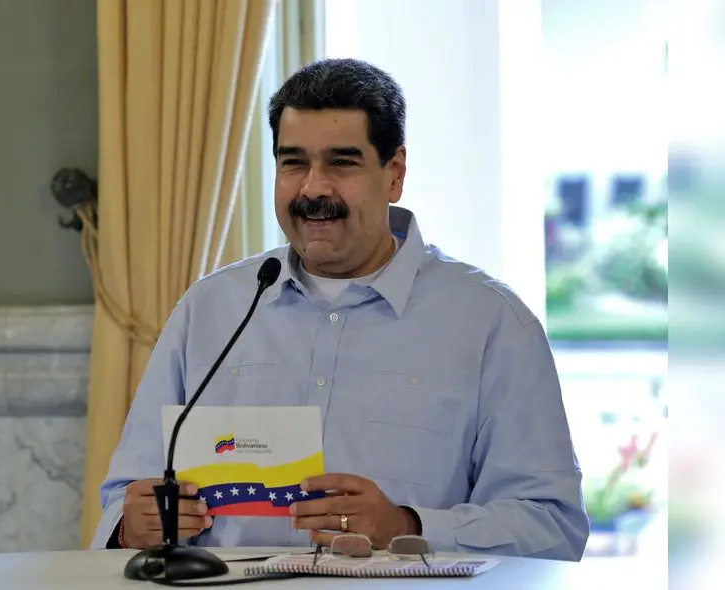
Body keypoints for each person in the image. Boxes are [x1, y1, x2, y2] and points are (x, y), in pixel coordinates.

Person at [89, 58, 589, 561]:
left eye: (341, 163)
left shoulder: (492, 323)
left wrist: (408, 526)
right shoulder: (211, 309)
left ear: (394, 173)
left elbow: (553, 527)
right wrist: (133, 527)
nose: (313, 188)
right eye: (293, 162)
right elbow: (123, 500)